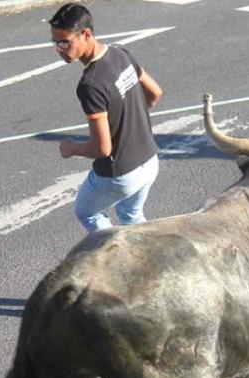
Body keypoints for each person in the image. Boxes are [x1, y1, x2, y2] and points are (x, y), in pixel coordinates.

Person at [48, 3, 163, 233]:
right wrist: (131, 118)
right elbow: (155, 93)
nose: (59, 49)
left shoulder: (90, 84)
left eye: (64, 42)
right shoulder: (120, 52)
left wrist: (72, 148)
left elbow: (102, 149)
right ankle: (146, 261)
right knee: (130, 216)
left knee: (87, 212)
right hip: (150, 161)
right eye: (55, 42)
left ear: (86, 34)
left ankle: (119, 260)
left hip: (121, 173)